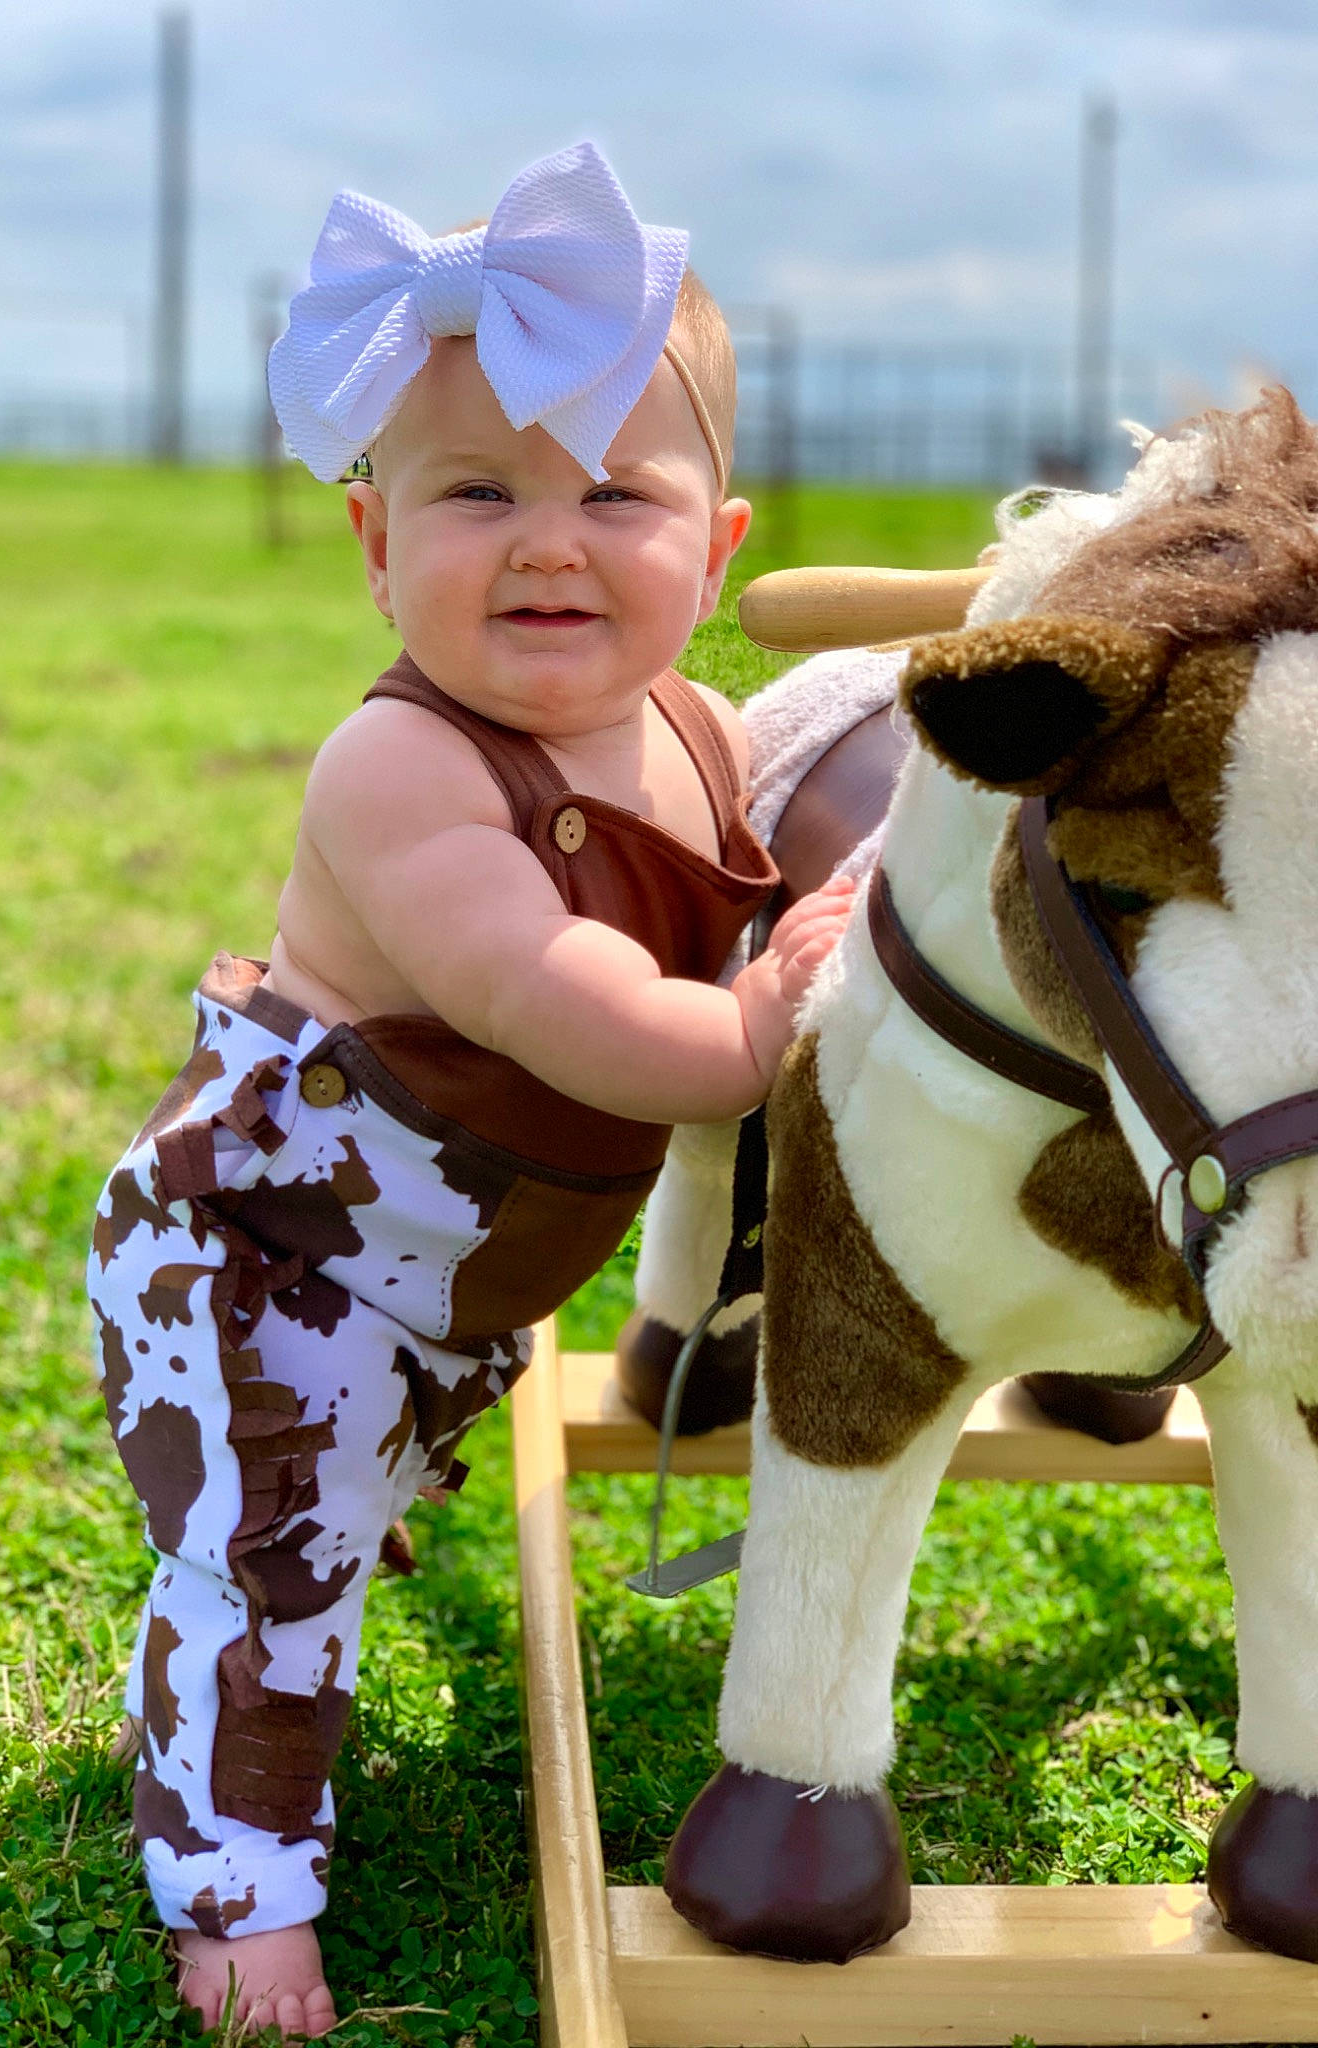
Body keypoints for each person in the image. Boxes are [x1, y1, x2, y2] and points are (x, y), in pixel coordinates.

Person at [88, 141, 854, 2039]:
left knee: (392, 1448)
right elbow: (553, 989)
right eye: (477, 489)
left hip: (456, 1282)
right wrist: (757, 1035)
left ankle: (378, 1483)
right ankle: (231, 1885)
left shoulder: (693, 730)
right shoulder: (402, 774)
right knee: (276, 1571)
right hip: (275, 1271)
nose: (549, 538)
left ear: (720, 546)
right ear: (372, 543)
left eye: (615, 487)